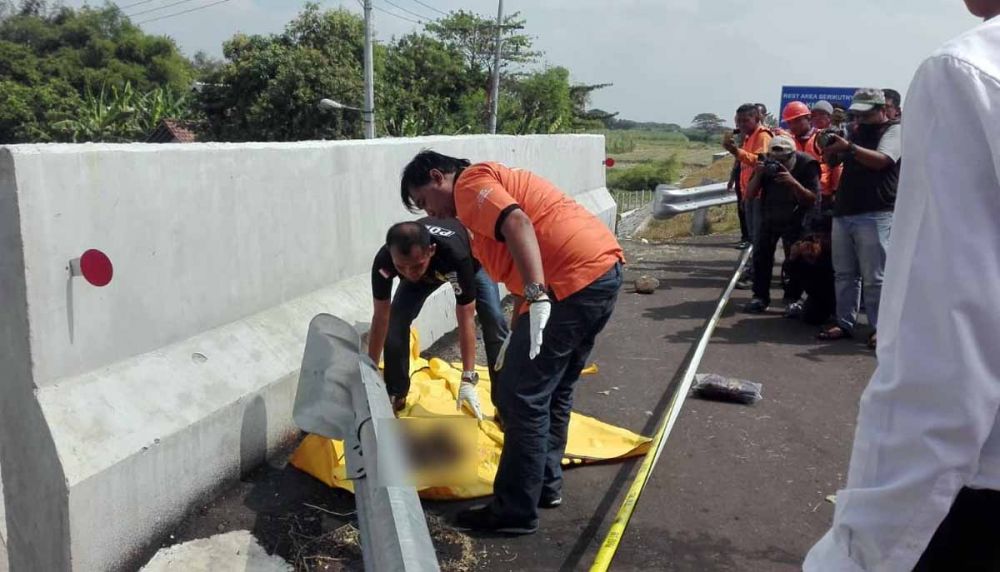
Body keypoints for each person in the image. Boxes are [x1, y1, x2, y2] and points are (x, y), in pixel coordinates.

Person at [805, 3, 1000, 569]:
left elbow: (945, 339)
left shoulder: (968, 71)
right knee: (852, 277)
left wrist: (857, 553)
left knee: (883, 282)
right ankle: (848, 318)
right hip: (850, 217)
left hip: (980, 488)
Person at [400, 151, 624, 534]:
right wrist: (525, 307)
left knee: (520, 396)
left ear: (438, 176)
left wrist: (537, 295)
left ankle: (514, 510)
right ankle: (544, 486)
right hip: (598, 273)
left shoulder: (469, 185)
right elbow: (517, 261)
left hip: (569, 283)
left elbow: (519, 223)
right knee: (554, 388)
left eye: (424, 201)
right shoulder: (474, 211)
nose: (429, 213)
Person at [367, 218, 508, 419]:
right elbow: (381, 316)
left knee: (494, 320)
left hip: (472, 267)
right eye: (401, 267)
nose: (408, 273)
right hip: (429, 274)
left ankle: (505, 407)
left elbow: (466, 317)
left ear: (430, 250)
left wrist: (467, 378)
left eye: (415, 266)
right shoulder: (384, 261)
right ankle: (395, 392)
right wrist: (371, 368)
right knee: (396, 319)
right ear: (391, 254)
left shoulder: (455, 255)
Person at [816, 88, 900, 349]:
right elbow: (833, 164)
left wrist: (849, 147)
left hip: (875, 211)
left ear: (882, 110)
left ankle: (879, 328)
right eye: (857, 114)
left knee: (875, 277)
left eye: (865, 114)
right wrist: (829, 149)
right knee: (844, 273)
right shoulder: (854, 131)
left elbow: (883, 161)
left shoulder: (894, 130)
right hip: (845, 209)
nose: (860, 119)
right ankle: (845, 322)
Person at [742, 135, 820, 313]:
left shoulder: (807, 164)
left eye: (782, 160)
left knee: (796, 260)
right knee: (761, 257)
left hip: (798, 216)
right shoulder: (764, 163)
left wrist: (794, 183)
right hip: (771, 213)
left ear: (792, 155)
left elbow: (812, 199)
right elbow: (750, 194)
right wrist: (759, 173)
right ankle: (760, 296)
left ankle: (794, 298)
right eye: (774, 159)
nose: (778, 165)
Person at [724, 103, 774, 264]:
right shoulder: (748, 137)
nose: (741, 125)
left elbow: (760, 161)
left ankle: (756, 271)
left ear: (757, 118)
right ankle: (754, 269)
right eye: (739, 121)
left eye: (746, 120)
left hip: (759, 194)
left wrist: (735, 151)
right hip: (750, 193)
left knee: (758, 237)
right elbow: (743, 165)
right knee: (753, 236)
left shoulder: (763, 135)